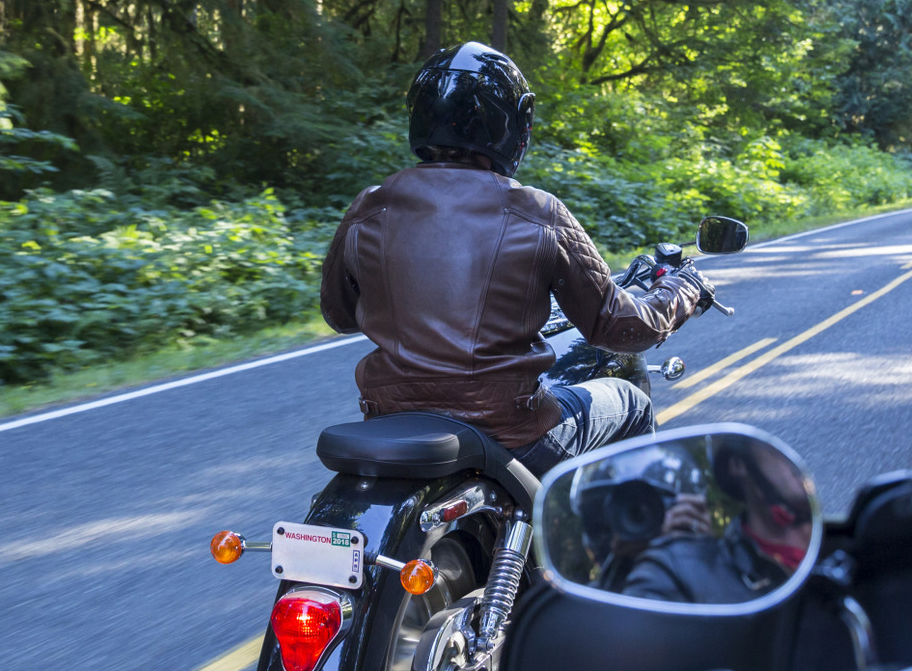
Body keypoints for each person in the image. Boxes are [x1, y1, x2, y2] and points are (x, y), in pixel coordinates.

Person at [320, 42, 712, 476]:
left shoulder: (368, 208)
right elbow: (616, 325)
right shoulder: (536, 212)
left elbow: (339, 313)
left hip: (388, 419)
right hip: (510, 429)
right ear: (511, 123)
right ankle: (632, 539)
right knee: (632, 404)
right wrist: (682, 288)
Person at [621, 435, 814, 605]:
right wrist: (627, 563)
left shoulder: (834, 539)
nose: (791, 453)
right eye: (770, 444)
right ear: (737, 464)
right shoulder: (689, 567)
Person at [570, 444, 712, 592]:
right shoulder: (594, 595)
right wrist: (618, 564)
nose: (637, 526)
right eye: (607, 525)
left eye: (653, 510)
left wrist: (703, 549)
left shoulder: (717, 568)